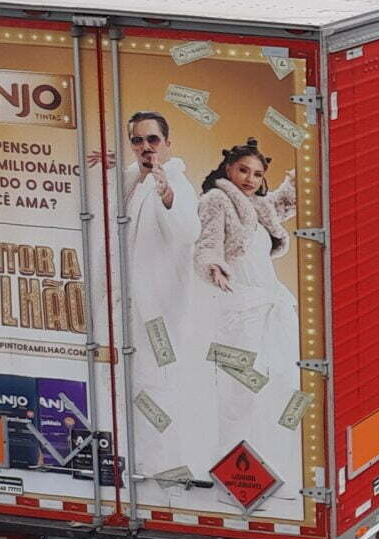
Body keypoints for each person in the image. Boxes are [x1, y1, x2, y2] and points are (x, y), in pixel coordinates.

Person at [196, 140, 300, 474]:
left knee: (281, 382)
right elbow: (207, 242)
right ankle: (231, 467)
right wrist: (212, 265)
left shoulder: (258, 206)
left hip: (270, 304)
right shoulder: (216, 200)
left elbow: (283, 204)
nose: (250, 179)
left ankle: (271, 462)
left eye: (257, 174)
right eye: (243, 170)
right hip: (238, 307)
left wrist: (299, 180)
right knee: (240, 391)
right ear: (228, 168)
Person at [120, 111, 205, 476]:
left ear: (167, 144)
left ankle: (164, 466)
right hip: (128, 308)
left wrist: (167, 194)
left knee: (159, 386)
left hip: (162, 311)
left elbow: (188, 230)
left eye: (152, 140)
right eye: (137, 140)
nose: (145, 147)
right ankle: (139, 461)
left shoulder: (177, 184)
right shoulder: (131, 181)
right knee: (133, 385)